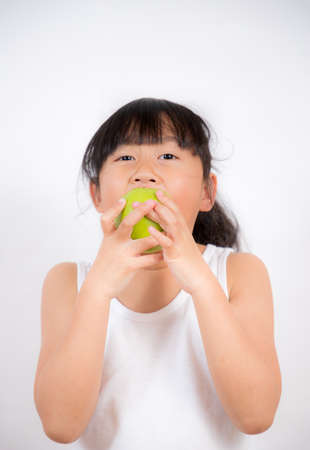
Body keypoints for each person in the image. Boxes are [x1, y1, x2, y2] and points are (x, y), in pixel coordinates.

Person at [33, 98, 282, 449]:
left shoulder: (239, 273)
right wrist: (98, 289)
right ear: (97, 195)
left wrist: (199, 280)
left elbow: (256, 415)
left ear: (206, 191)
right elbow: (60, 426)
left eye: (167, 156)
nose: (144, 173)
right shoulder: (67, 283)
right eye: (124, 158)